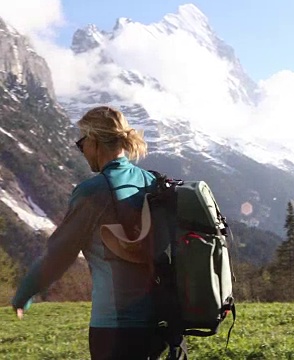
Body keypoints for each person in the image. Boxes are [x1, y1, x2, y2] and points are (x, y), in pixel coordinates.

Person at [11, 106, 184, 359]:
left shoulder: (94, 191)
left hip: (116, 331)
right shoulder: (153, 182)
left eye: (82, 144)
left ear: (94, 141)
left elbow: (58, 255)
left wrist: (24, 293)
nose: (82, 151)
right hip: (166, 324)